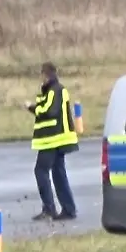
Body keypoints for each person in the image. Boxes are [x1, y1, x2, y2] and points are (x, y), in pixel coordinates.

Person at [23, 61, 79, 221]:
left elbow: (50, 111)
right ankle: (68, 209)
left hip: (53, 139)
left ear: (45, 75)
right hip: (55, 139)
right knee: (58, 173)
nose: (40, 79)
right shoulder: (53, 91)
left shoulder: (56, 90)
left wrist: (31, 107)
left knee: (41, 171)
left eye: (41, 75)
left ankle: (49, 209)